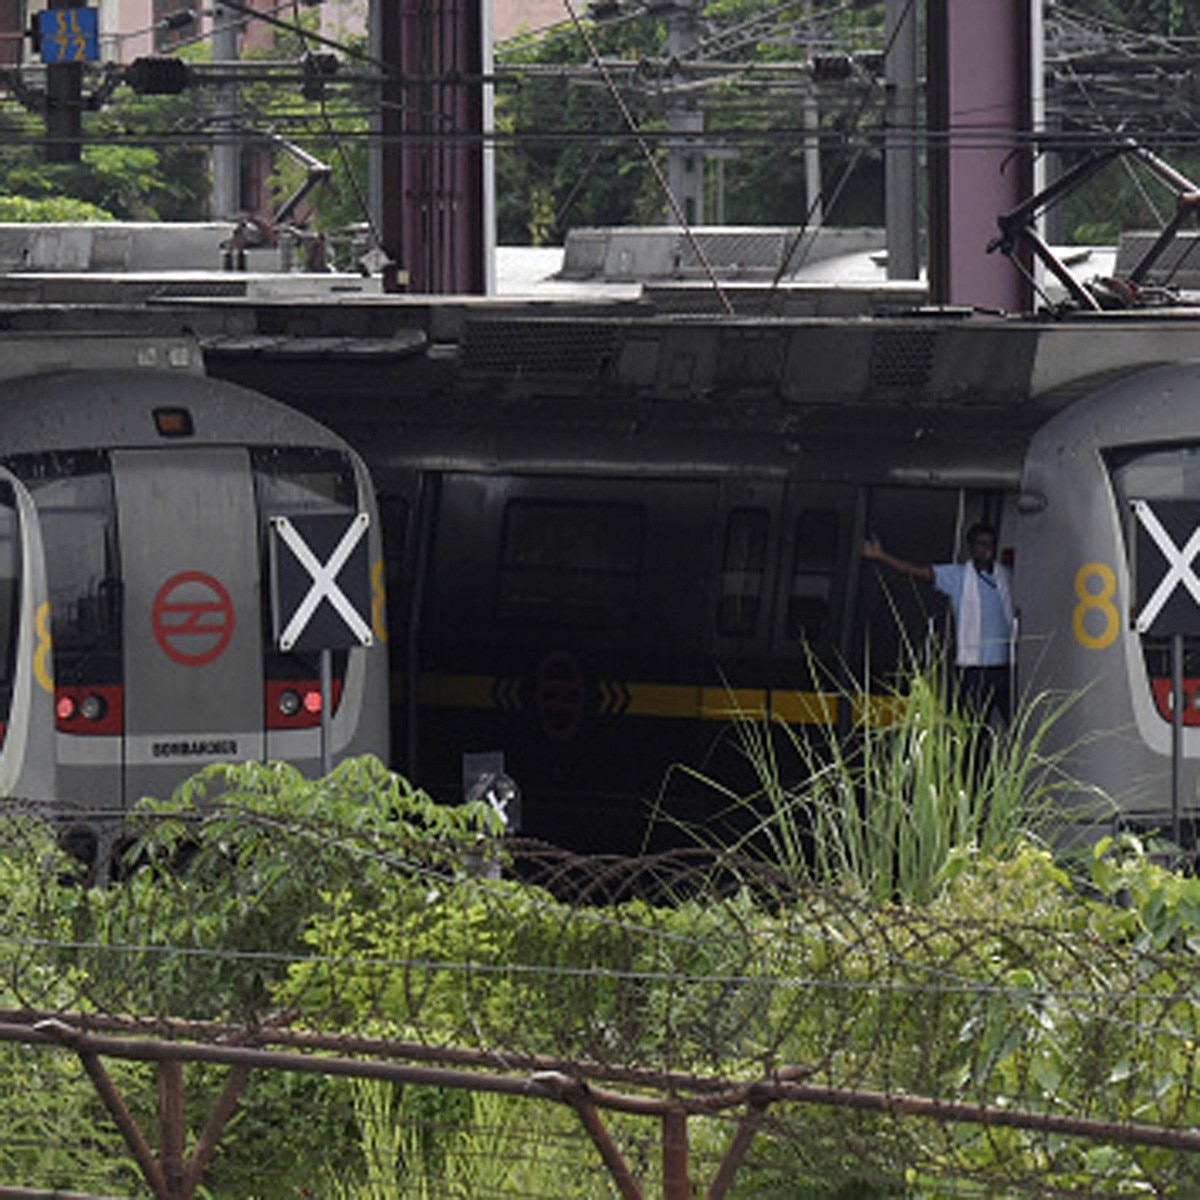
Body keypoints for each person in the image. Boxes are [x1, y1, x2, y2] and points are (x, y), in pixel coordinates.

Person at [862, 522, 1014, 723]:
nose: (986, 549)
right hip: (974, 668)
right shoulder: (958, 576)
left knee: (1015, 721)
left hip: (1006, 667)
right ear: (971, 548)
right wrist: (881, 556)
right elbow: (915, 571)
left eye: (991, 544)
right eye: (981, 544)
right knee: (974, 726)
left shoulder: (1006, 575)